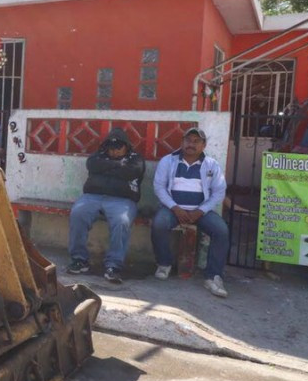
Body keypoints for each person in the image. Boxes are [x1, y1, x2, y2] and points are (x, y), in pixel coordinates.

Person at [150, 127, 230, 297]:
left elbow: (219, 192)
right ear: (182, 142)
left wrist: (201, 211)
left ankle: (213, 276)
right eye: (188, 140)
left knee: (221, 230)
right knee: (159, 224)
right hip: (173, 209)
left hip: (200, 211)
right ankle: (164, 263)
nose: (191, 144)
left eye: (196, 141)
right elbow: (159, 187)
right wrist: (174, 207)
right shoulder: (168, 161)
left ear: (204, 145)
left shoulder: (211, 165)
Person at [66, 128, 145, 284]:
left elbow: (132, 171)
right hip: (92, 196)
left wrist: (107, 167)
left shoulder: (136, 158)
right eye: (110, 147)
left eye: (118, 147)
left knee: (122, 221)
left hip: (122, 200)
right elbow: (92, 165)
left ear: (127, 147)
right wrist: (119, 165)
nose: (114, 151)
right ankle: (79, 260)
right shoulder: (98, 155)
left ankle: (113, 266)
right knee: (78, 213)